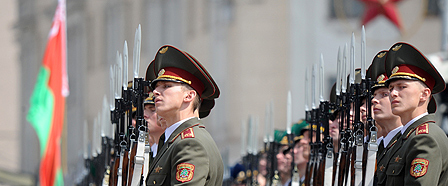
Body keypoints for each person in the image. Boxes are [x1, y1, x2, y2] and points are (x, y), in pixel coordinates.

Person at [145, 45, 223, 185]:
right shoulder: (172, 140)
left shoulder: (190, 144)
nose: (156, 91)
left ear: (189, 95)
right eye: (156, 87)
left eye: (166, 86)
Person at [379, 42, 448, 186]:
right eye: (391, 88)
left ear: (424, 94)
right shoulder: (402, 138)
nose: (393, 93)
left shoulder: (424, 138)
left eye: (402, 87)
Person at [143, 93, 166, 158]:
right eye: (144, 110)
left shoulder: (170, 146)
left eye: (153, 110)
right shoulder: (152, 149)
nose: (145, 115)